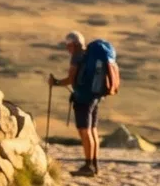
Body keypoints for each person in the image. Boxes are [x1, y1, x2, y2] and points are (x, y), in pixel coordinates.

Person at [47, 31, 120, 176]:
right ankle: (94, 164)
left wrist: (55, 82)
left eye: (68, 45)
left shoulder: (77, 57)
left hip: (83, 98)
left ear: (74, 44)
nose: (67, 49)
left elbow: (71, 79)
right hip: (95, 96)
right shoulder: (89, 55)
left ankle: (88, 166)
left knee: (84, 131)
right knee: (93, 130)